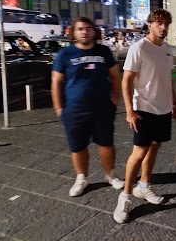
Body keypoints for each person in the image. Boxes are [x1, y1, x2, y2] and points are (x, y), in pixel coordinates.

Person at [114, 9, 176, 223]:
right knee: (139, 152)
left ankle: (144, 185)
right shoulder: (139, 48)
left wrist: (175, 103)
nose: (163, 27)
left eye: (166, 24)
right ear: (150, 25)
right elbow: (126, 81)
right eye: (159, 23)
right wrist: (129, 111)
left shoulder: (168, 49)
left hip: (163, 109)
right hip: (143, 108)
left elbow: (167, 78)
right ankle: (125, 197)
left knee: (155, 147)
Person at [51, 17, 124, 197]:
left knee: (106, 143)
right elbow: (56, 82)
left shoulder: (104, 51)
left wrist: (115, 98)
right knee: (78, 146)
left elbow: (115, 76)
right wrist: (59, 108)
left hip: (103, 108)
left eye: (89, 28)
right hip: (75, 109)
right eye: (80, 29)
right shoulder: (65, 54)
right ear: (73, 32)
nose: (85, 32)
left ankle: (111, 175)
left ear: (94, 31)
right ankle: (81, 177)